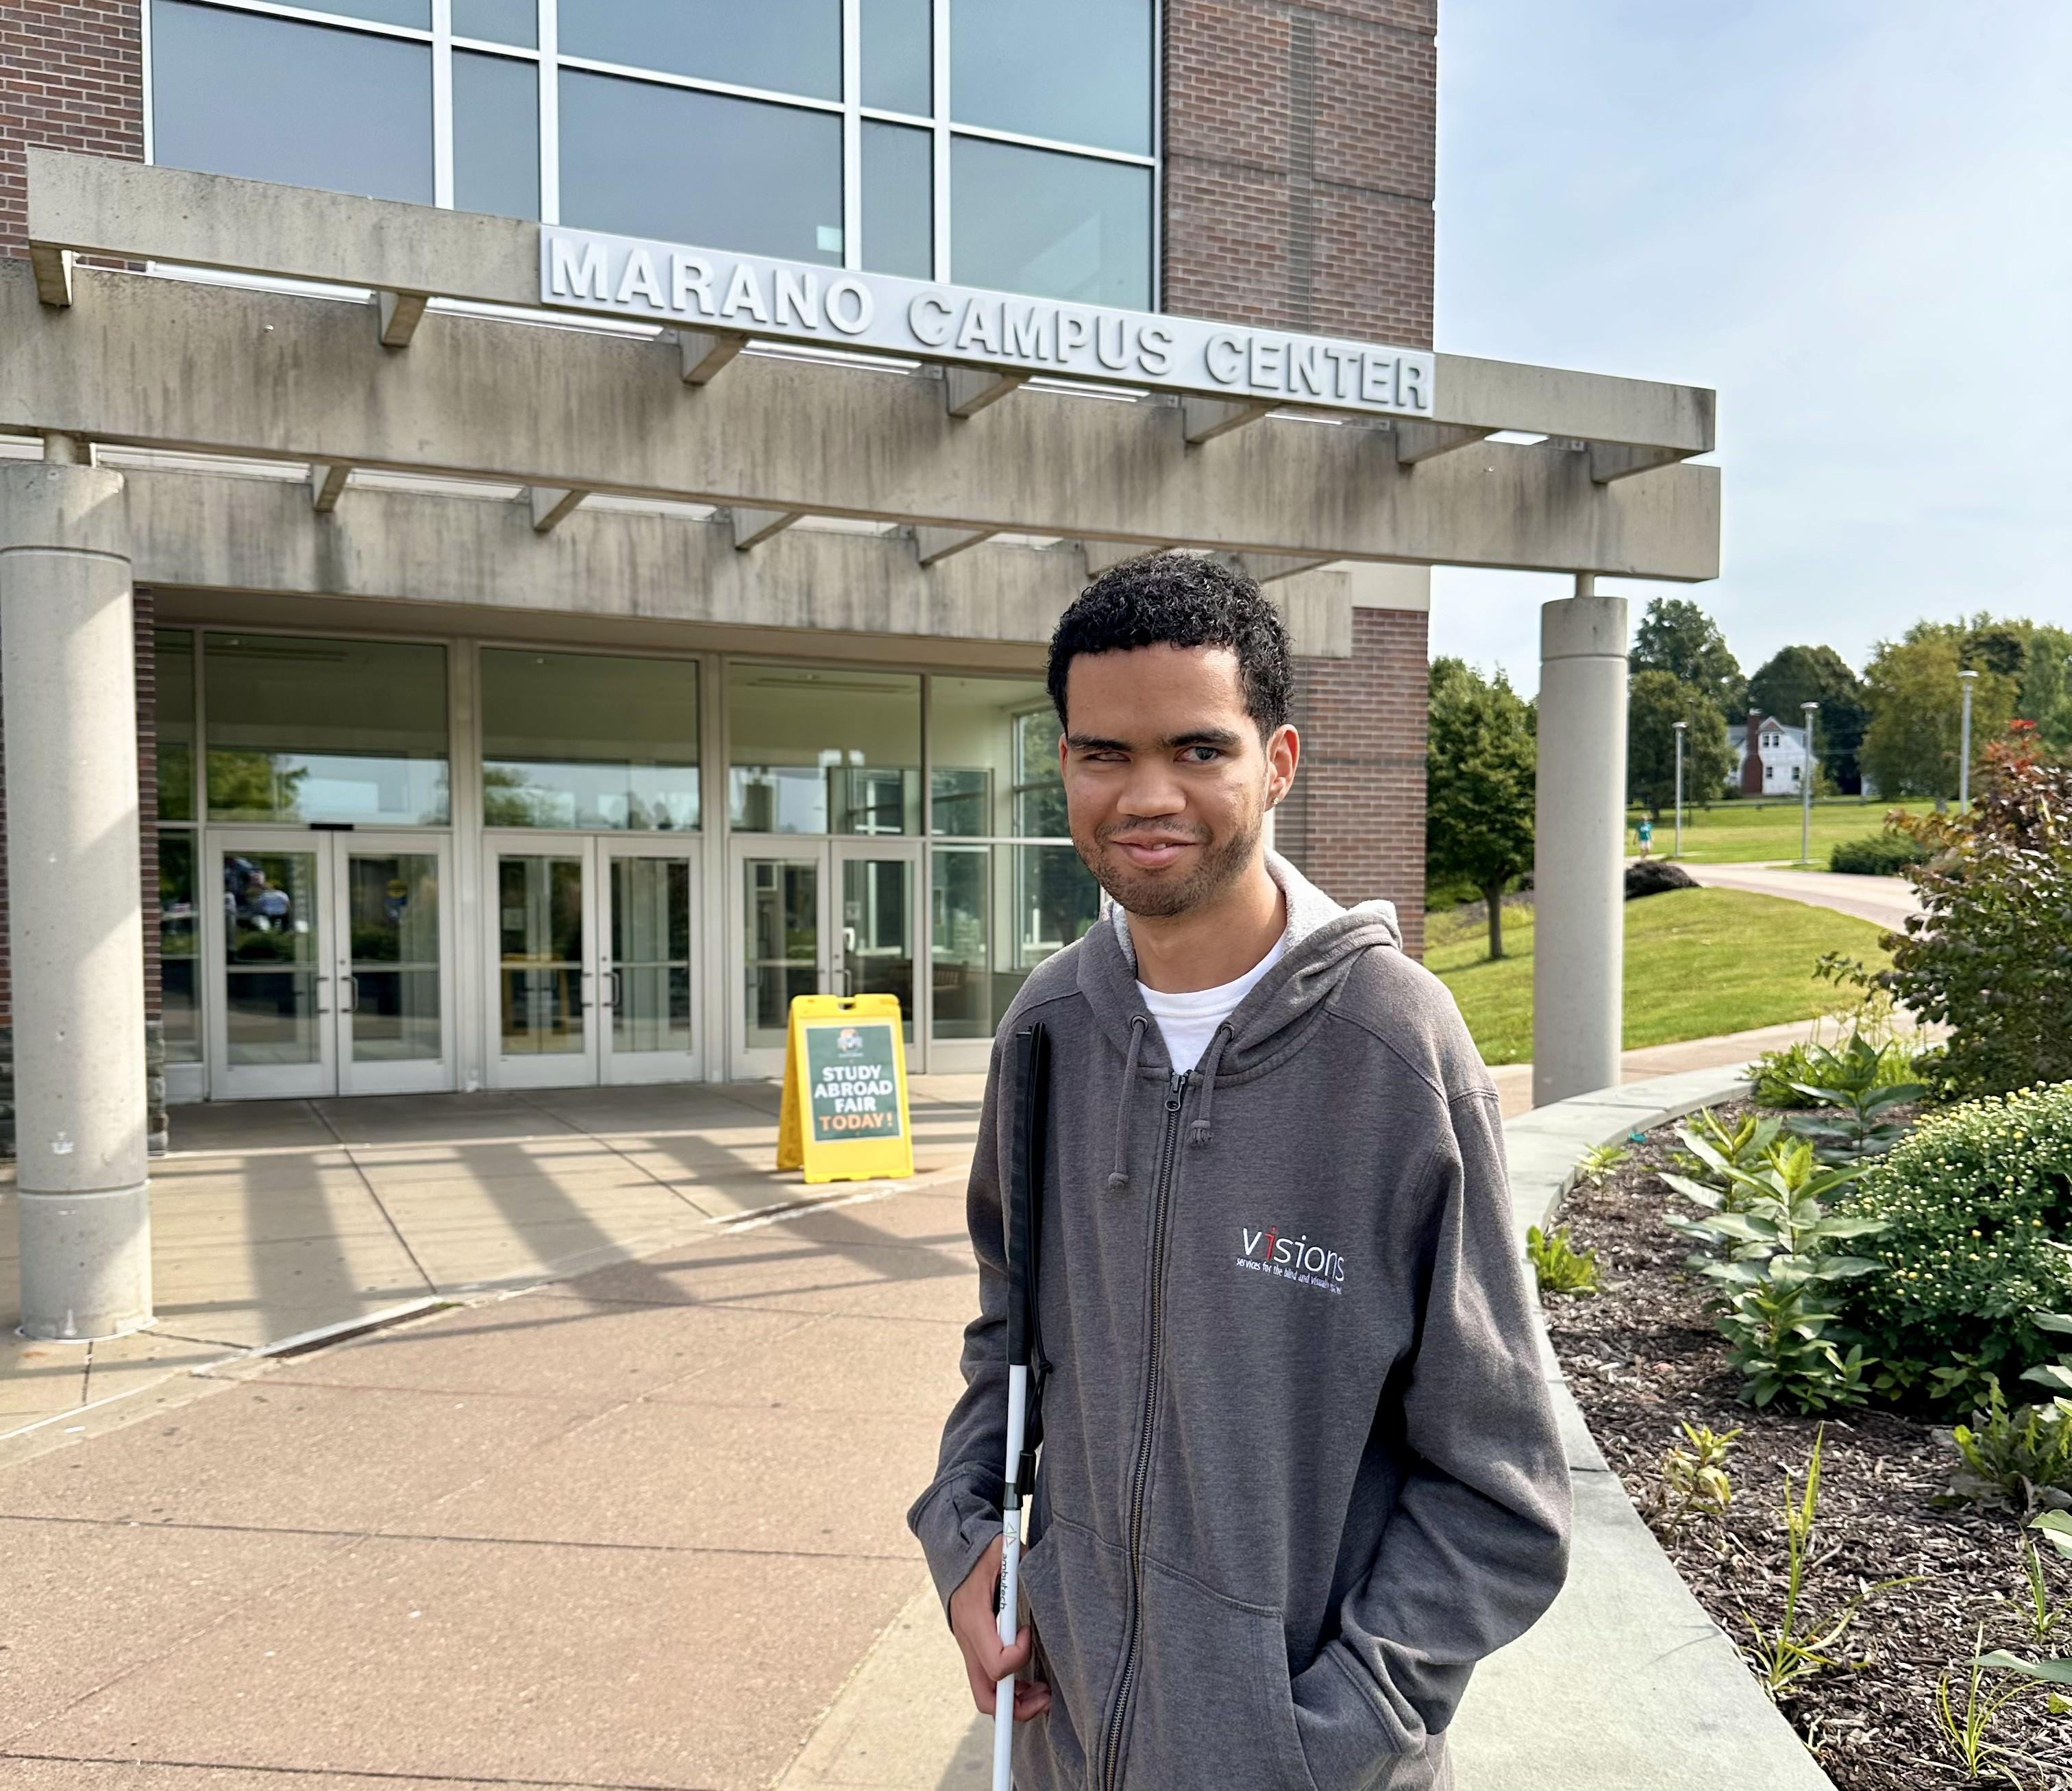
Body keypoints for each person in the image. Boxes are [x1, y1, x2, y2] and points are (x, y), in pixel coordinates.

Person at [908, 557, 1572, 1791]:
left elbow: (1504, 1493)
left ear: (1278, 760)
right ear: (1063, 765)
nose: (1146, 794)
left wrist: (1324, 1735)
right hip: (1064, 1735)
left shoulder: (1397, 1049)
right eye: (1104, 752)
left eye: (1198, 749)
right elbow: (1008, 1342)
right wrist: (967, 1539)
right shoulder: (1047, 1030)